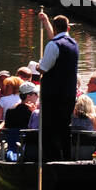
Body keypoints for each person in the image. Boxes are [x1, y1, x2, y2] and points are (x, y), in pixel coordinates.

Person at [37, 8, 79, 162]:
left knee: (49, 128)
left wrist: (37, 66)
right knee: (64, 128)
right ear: (68, 28)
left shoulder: (53, 45)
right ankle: (66, 159)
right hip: (69, 95)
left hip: (53, 95)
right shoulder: (73, 44)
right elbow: (54, 41)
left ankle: (51, 160)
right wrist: (45, 21)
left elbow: (43, 68)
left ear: (55, 28)